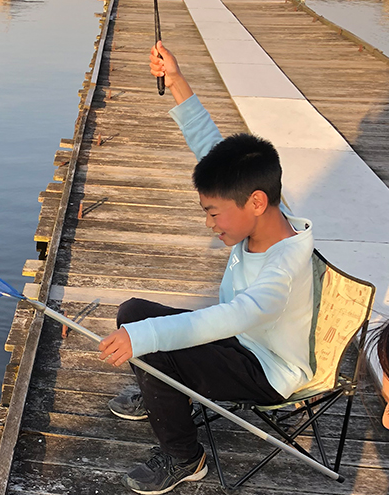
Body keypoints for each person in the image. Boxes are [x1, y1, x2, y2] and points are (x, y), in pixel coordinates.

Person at [97, 41, 315, 495]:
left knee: (152, 344)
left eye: (214, 213)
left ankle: (184, 457)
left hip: (265, 368)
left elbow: (232, 317)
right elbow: (213, 149)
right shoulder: (268, 211)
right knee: (133, 310)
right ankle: (163, 389)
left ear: (255, 203)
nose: (210, 223)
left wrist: (146, 340)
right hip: (240, 342)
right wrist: (175, 81)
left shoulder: (284, 267)